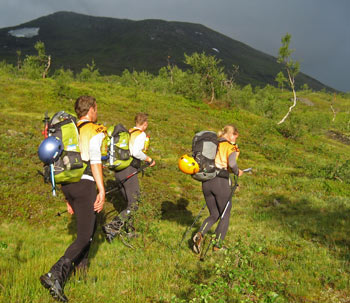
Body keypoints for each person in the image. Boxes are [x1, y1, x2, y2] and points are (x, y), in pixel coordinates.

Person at [40, 96, 106, 302]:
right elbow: (95, 162)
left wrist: (68, 197)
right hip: (84, 184)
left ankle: (81, 275)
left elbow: (61, 163)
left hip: (69, 185)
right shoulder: (93, 130)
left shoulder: (69, 129)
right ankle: (55, 274)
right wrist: (101, 190)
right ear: (92, 110)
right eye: (96, 109)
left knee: (89, 231)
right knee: (84, 236)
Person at [103, 113, 155, 241]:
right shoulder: (141, 134)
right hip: (129, 169)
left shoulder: (129, 132)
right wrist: (149, 159)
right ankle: (112, 226)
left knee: (130, 202)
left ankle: (129, 231)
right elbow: (135, 152)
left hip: (119, 170)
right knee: (134, 203)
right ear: (145, 124)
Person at [193, 125, 243, 254]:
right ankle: (217, 245)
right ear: (232, 135)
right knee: (225, 215)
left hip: (206, 181)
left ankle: (200, 234)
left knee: (214, 214)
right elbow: (231, 164)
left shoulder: (214, 144)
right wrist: (237, 172)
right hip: (220, 182)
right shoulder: (229, 146)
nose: (236, 140)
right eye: (236, 137)